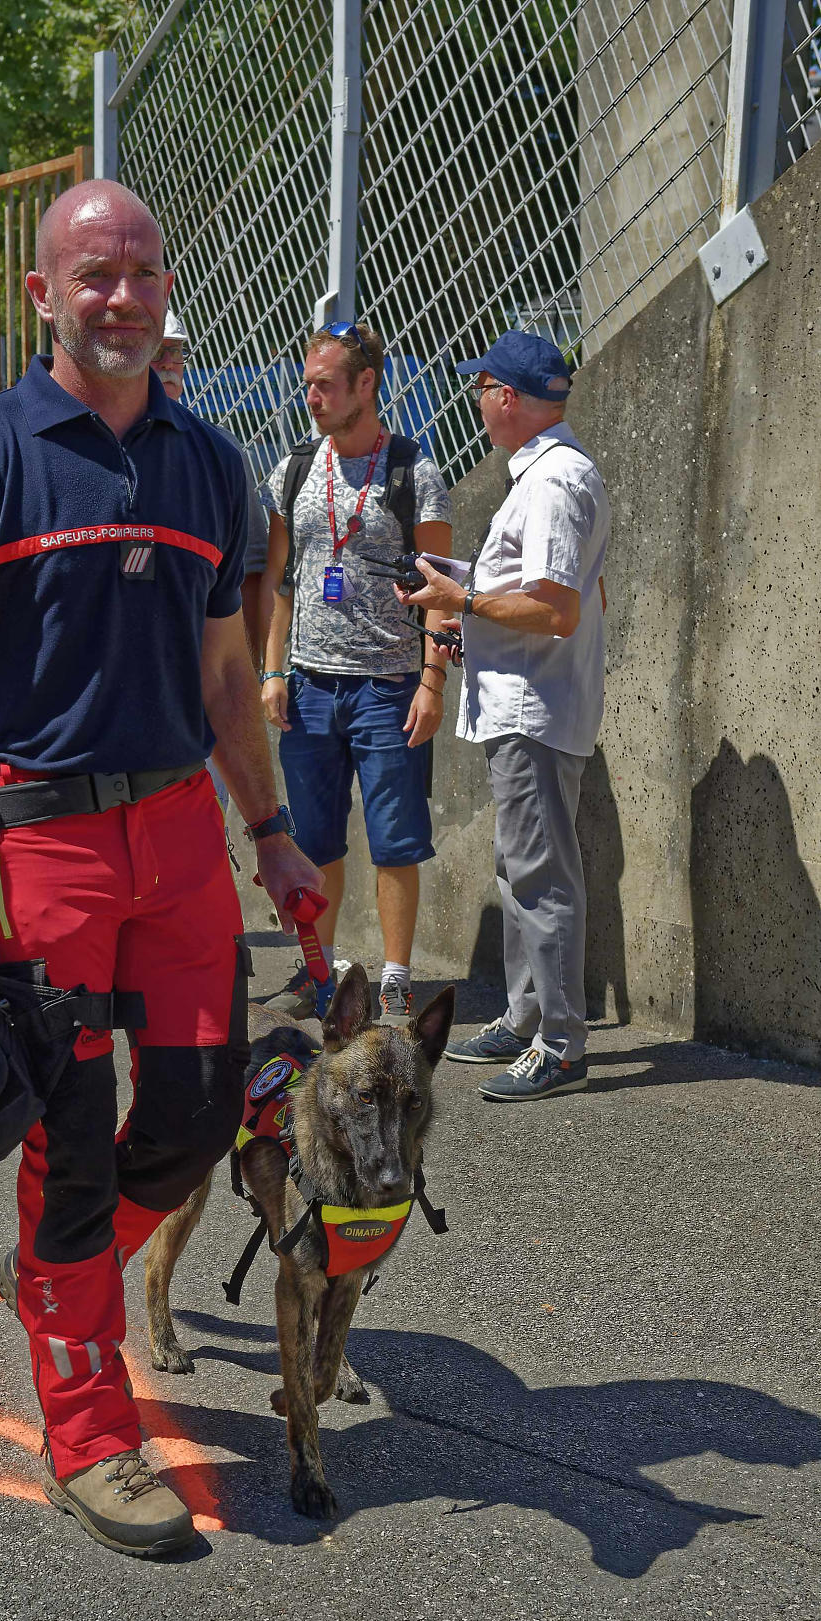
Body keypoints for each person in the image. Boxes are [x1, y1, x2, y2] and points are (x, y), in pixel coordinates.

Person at [0, 179, 321, 1558]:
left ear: (165, 287)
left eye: (140, 272)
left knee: (196, 1113)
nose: (120, 296)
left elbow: (225, 674)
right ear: (43, 294)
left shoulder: (209, 463)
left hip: (178, 833)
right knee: (68, 1140)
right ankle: (91, 1434)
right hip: (36, 836)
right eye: (92, 275)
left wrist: (272, 829)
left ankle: (58, 1280)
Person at [414, 330, 611, 1101]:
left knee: (542, 877)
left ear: (508, 397)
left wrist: (461, 599)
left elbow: (555, 609)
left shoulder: (555, 479)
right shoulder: (544, 472)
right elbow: (536, 592)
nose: (477, 400)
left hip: (535, 709)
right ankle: (527, 1018)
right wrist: (466, 602)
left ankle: (560, 1044)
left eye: (482, 387)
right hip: (525, 703)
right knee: (521, 869)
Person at [260, 320, 454, 1021]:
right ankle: (321, 971)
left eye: (324, 386)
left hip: (389, 687)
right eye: (306, 385)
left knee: (395, 840)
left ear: (365, 384)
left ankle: (396, 979)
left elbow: (442, 588)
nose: (310, 398)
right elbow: (281, 581)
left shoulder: (412, 471)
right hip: (309, 686)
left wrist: (433, 682)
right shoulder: (294, 470)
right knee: (313, 841)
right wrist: (272, 672)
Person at [151, 310, 268, 663]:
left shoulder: (221, 449)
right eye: (157, 351)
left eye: (176, 351)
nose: (168, 363)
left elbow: (251, 567)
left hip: (203, 653)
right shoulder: (105, 443)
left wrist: (252, 670)